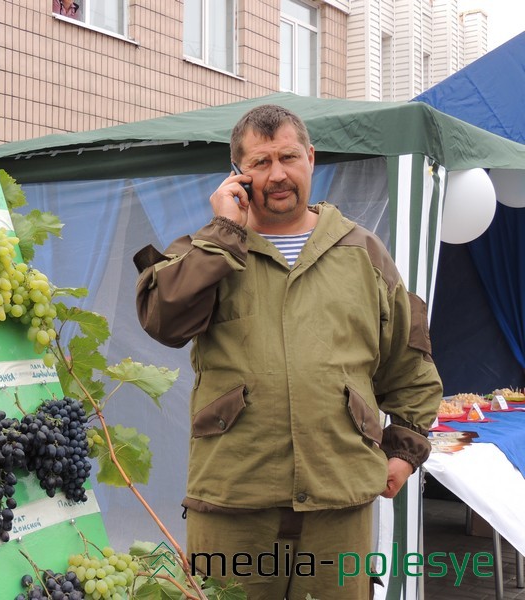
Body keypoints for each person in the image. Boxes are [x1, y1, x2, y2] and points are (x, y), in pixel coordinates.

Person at [133, 104, 443, 600]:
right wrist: (224, 235)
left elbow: (410, 365)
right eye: (259, 163)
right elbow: (162, 321)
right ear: (237, 174)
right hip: (234, 502)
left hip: (339, 504)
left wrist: (404, 450)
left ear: (311, 158)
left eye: (288, 157)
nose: (277, 174)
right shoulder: (208, 250)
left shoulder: (363, 253)